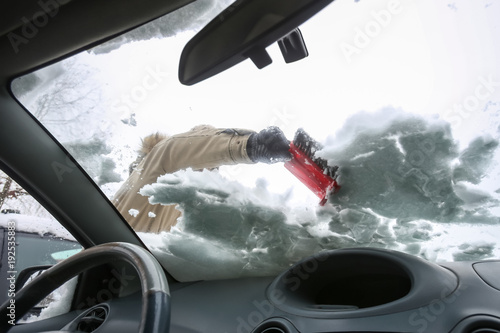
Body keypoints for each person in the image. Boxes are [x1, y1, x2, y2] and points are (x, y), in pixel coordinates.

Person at [112, 125, 291, 233]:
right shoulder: (152, 166)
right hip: (122, 263)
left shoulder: (193, 194)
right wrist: (250, 145)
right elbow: (173, 149)